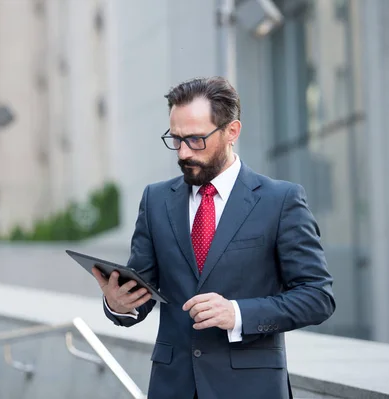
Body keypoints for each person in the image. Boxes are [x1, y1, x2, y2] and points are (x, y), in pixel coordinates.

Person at [91, 76, 335, 399]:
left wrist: (237, 314)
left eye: (195, 139)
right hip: (172, 387)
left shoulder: (281, 201)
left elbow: (318, 296)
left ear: (232, 132)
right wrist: (119, 304)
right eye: (175, 139)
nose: (182, 152)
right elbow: (143, 292)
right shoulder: (155, 200)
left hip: (251, 389)